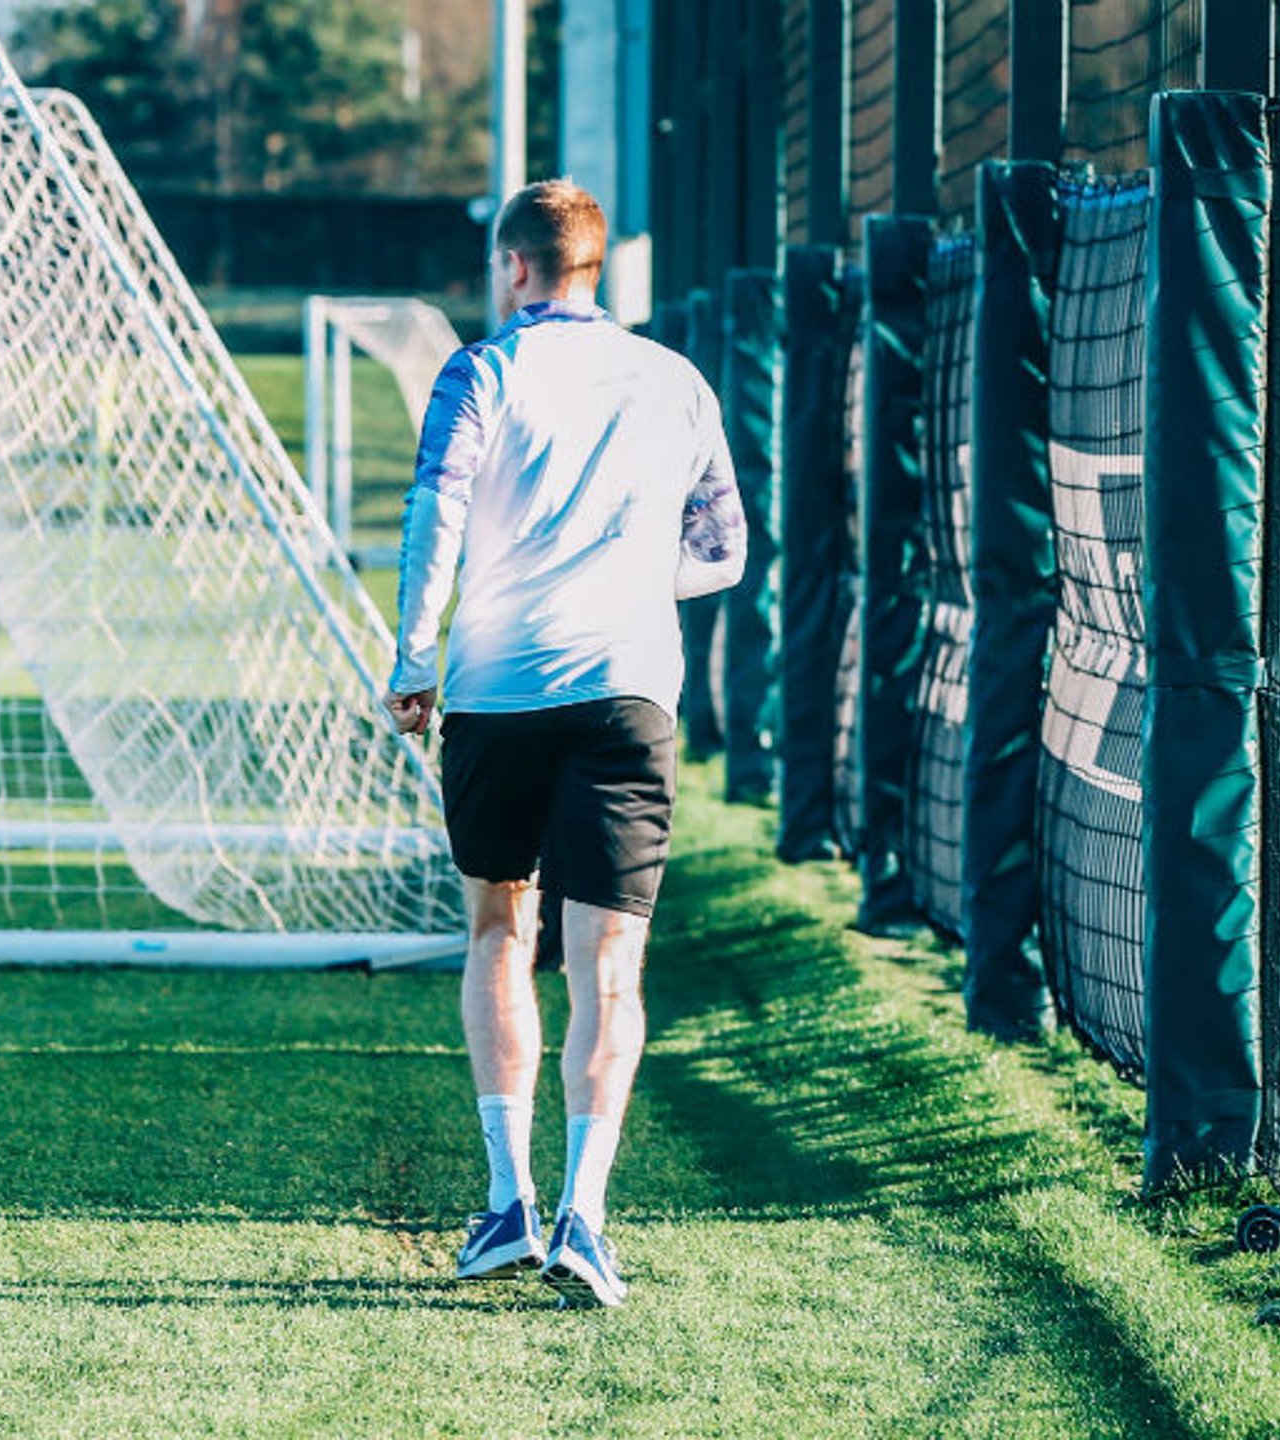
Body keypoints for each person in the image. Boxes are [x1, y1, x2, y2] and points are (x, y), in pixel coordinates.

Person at [386, 180, 745, 1307]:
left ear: (513, 269)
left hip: (498, 687)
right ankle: (585, 1218)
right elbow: (724, 550)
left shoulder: (482, 369)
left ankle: (508, 1206)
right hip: (629, 690)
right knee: (609, 965)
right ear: (598, 269)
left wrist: (413, 654)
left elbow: (434, 507)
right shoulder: (675, 381)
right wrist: (638, 582)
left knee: (501, 929)